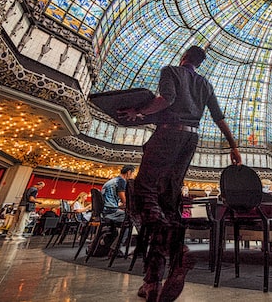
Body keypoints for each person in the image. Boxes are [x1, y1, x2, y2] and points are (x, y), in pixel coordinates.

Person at [120, 45, 241, 302]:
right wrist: (234, 146)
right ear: (198, 62)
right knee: (167, 204)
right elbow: (219, 117)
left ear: (184, 57)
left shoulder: (171, 71)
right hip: (190, 140)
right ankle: (152, 282)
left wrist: (138, 111)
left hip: (168, 134)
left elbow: (166, 100)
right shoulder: (205, 84)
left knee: (142, 194)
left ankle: (178, 249)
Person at [95, 165, 135, 257]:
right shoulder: (121, 181)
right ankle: (115, 249)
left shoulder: (111, 181)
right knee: (130, 220)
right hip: (111, 212)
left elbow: (116, 201)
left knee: (127, 218)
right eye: (132, 174)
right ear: (129, 172)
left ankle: (112, 247)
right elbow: (125, 201)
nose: (132, 176)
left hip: (105, 212)